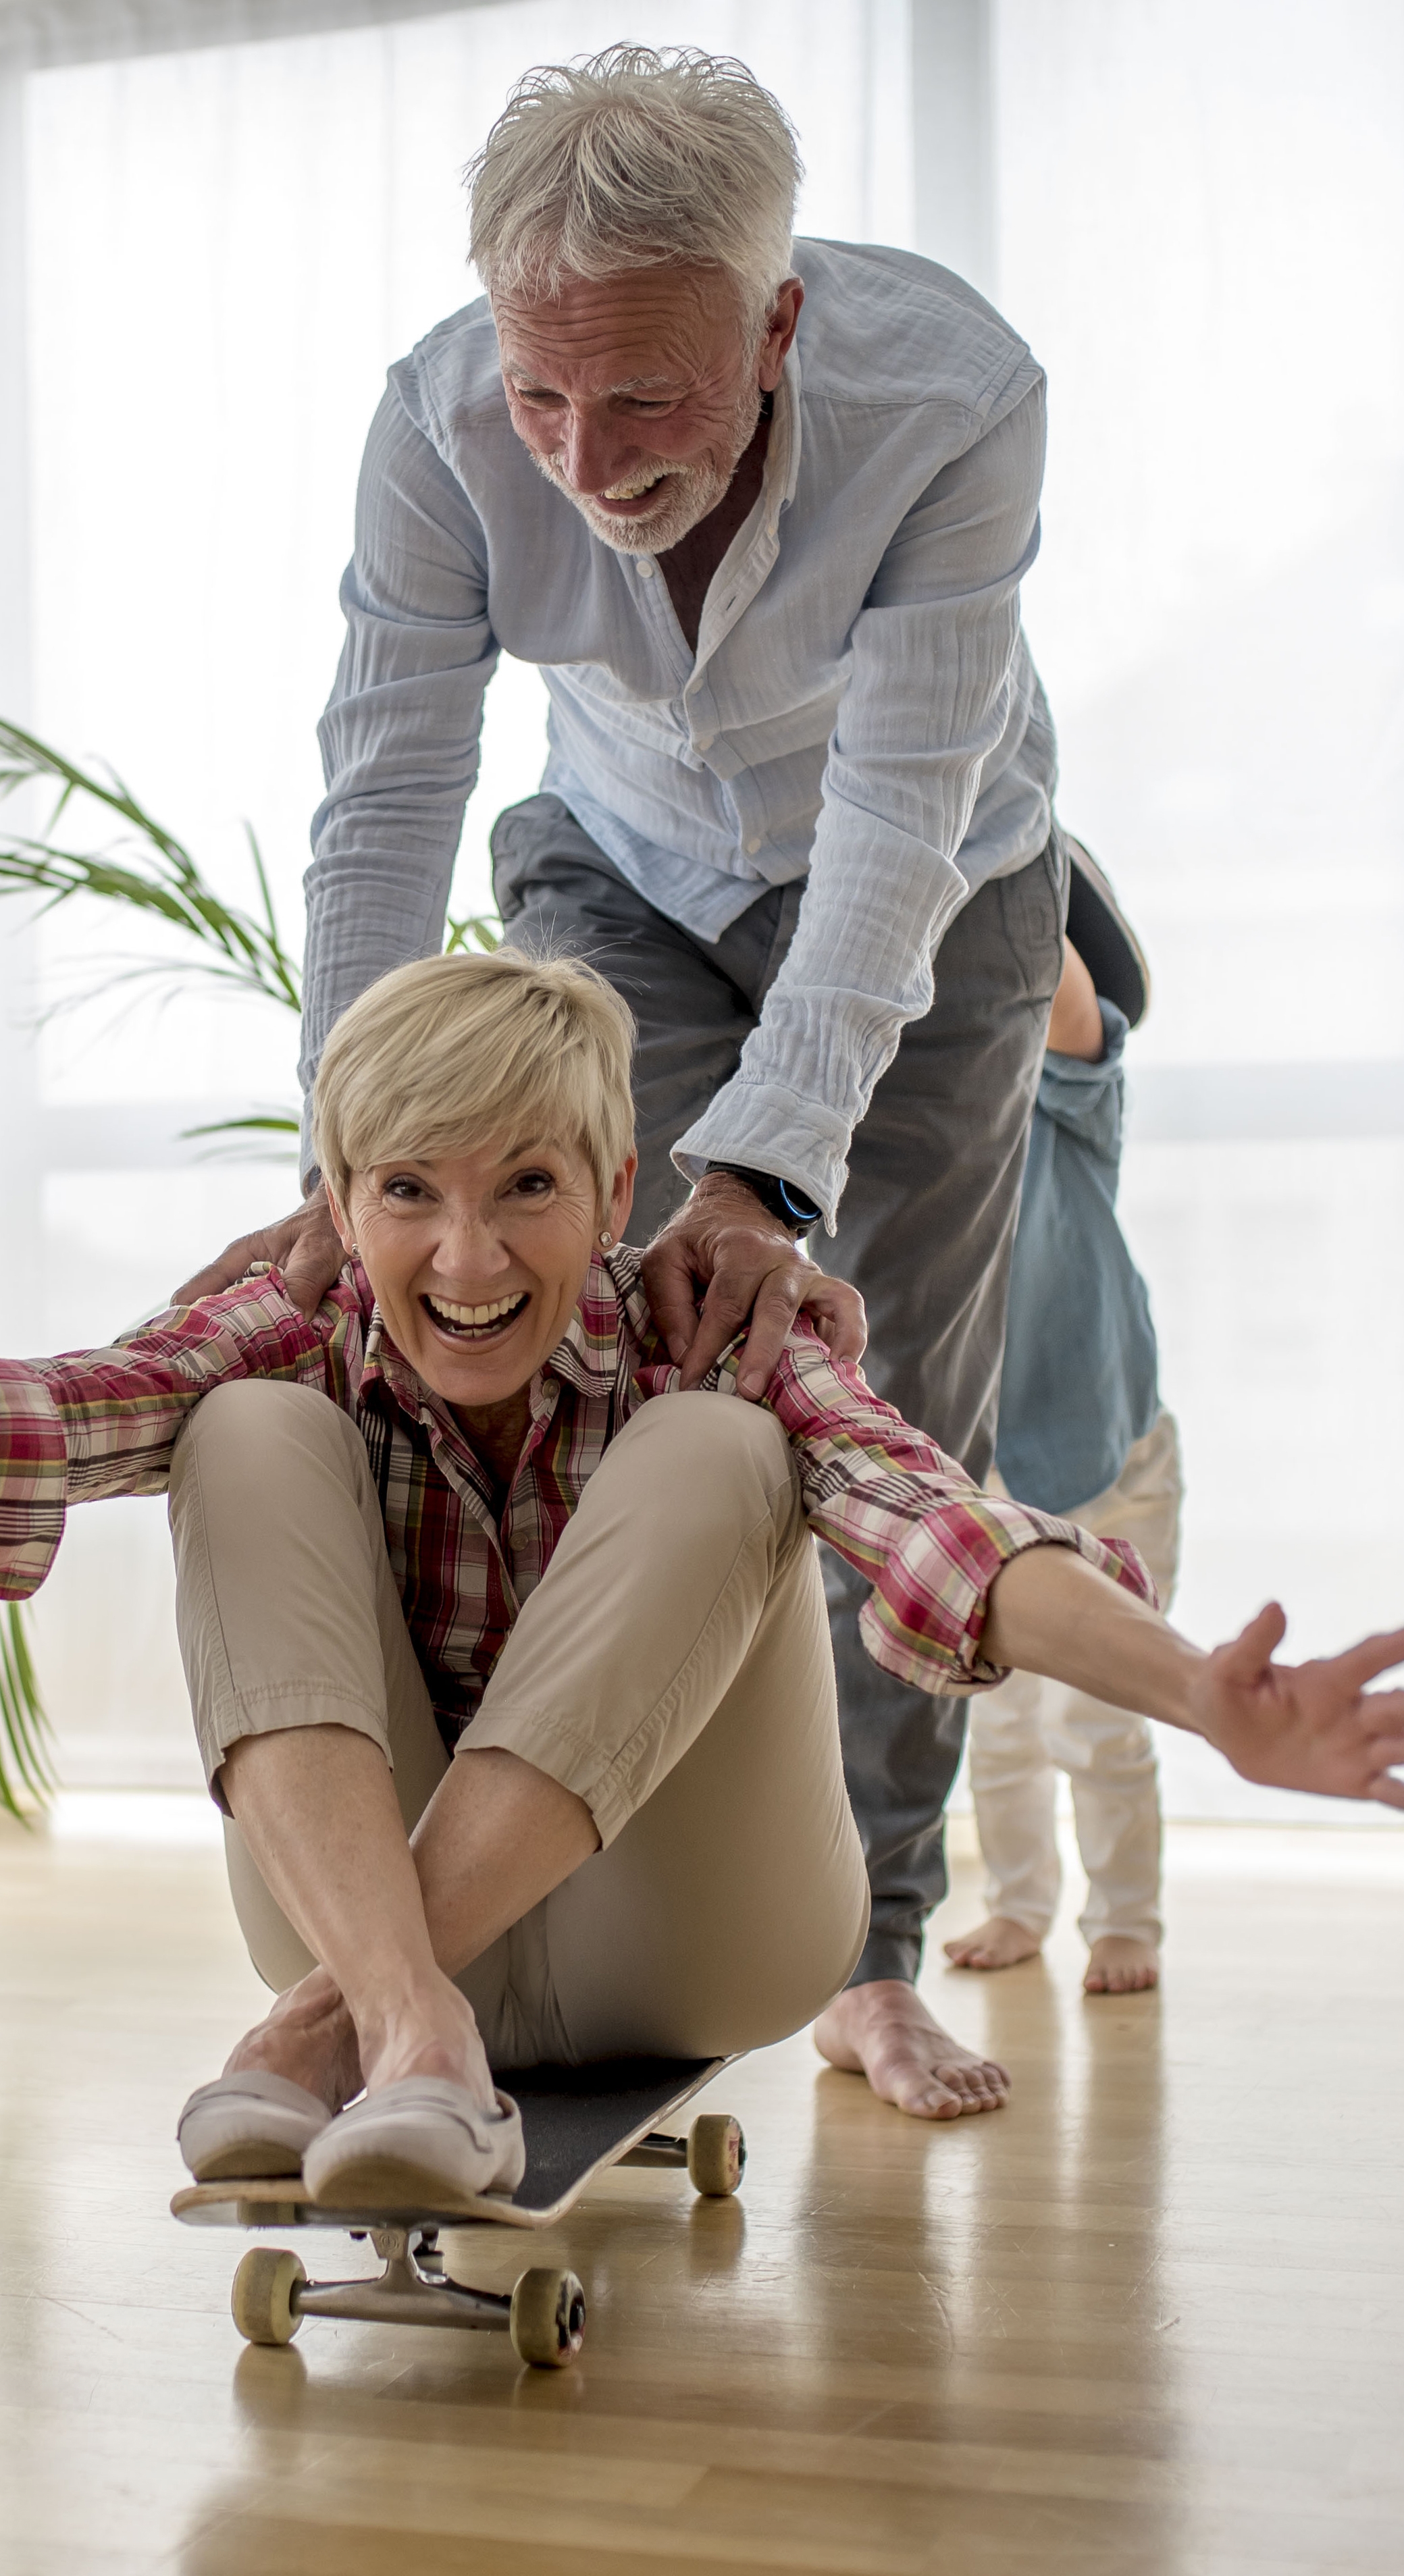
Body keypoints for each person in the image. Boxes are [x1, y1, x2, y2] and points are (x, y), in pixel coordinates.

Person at [0, 952, 1404, 2200]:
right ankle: (413, 2023)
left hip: (695, 1932)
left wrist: (1197, 1695)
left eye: (526, 1191)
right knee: (232, 1425)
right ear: (338, 1204)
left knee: (725, 1446)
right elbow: (65, 1404)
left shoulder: (712, 1330)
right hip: (374, 1902)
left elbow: (939, 1529)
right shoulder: (298, 1317)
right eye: (407, 1190)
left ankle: (330, 2029)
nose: (465, 1253)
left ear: (618, 1185)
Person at [180, 48, 1085, 2121]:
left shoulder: (954, 398)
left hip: (935, 884)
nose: (587, 459)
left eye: (650, 400)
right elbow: (391, 782)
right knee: (587, 1359)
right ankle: (489, 1930)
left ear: (776, 327)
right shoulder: (434, 416)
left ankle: (865, 1949)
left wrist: (766, 1176)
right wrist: (355, 1156)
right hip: (617, 859)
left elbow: (891, 830)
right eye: (545, 398)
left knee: (876, 1401)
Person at [943, 857, 1178, 1996]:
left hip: (1108, 1460)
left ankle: (1125, 1918)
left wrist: (993, 847)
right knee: (995, 1721)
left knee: (1100, 1712)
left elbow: (1065, 999)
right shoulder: (930, 1123)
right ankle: (1018, 1901)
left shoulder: (1067, 1096)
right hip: (989, 1471)